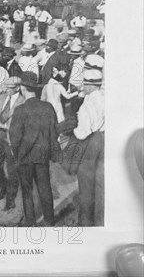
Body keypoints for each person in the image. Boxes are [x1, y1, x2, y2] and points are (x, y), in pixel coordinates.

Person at [9, 72, 60, 226]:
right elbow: (54, 131)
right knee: (45, 188)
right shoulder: (48, 107)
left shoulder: (20, 110)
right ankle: (50, 221)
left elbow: (14, 138)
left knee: (27, 191)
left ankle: (30, 222)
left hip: (25, 157)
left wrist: (17, 155)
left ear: (23, 89)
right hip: (42, 155)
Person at [0, 76, 24, 211]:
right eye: (5, 86)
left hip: (11, 137)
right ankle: (3, 186)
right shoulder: (0, 98)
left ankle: (10, 199)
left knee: (12, 170)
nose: (6, 89)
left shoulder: (23, 101)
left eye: (10, 87)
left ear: (18, 88)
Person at [73, 69, 105, 226]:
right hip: (104, 139)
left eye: (84, 85)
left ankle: (85, 222)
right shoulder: (105, 97)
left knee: (86, 185)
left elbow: (82, 133)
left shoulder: (87, 105)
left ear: (91, 86)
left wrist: (72, 130)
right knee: (100, 184)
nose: (82, 88)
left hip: (90, 142)